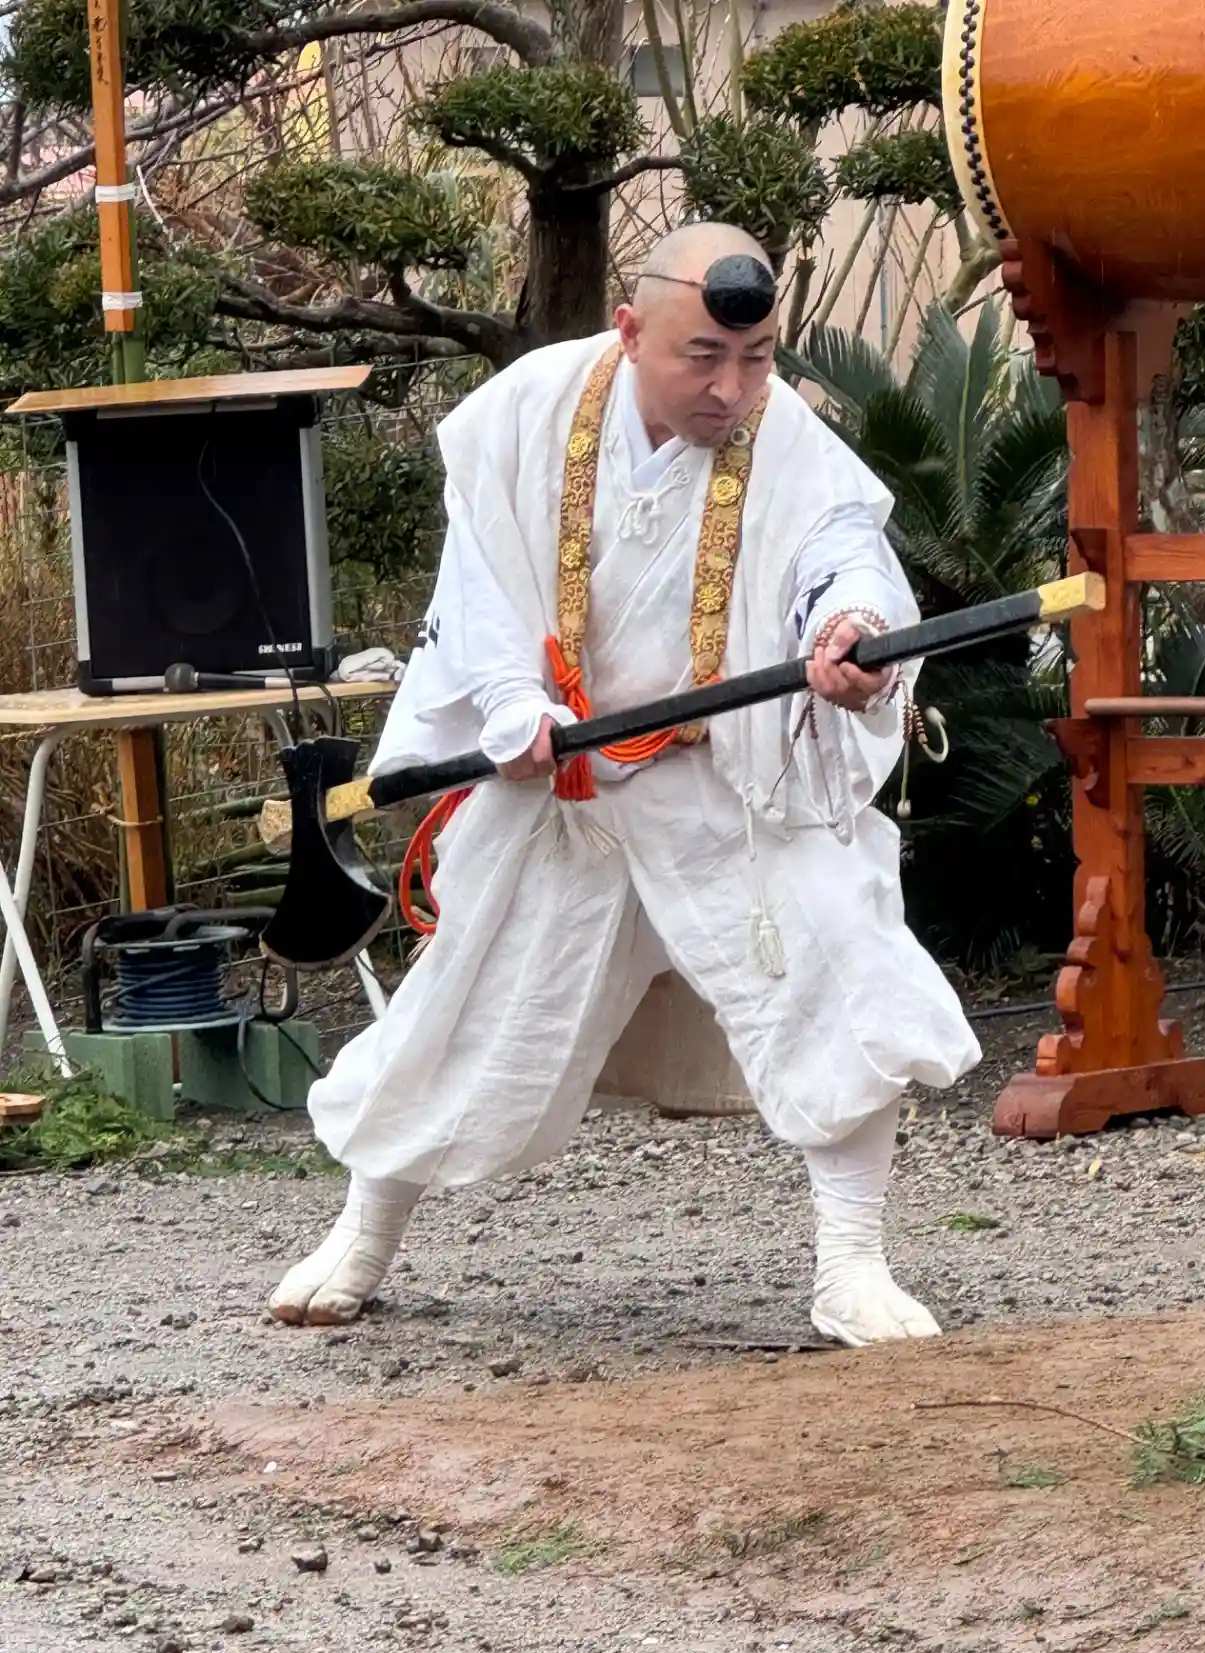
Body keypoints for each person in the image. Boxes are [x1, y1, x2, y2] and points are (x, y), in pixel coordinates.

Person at [269, 222, 980, 1345]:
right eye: (704, 357)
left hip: (727, 779)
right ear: (632, 329)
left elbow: (841, 549)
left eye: (756, 359)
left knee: (841, 958)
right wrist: (514, 708)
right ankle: (363, 1233)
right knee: (465, 1002)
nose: (731, 388)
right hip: (565, 781)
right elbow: (480, 584)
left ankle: (852, 1262)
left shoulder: (786, 439)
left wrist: (850, 629)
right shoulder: (528, 412)